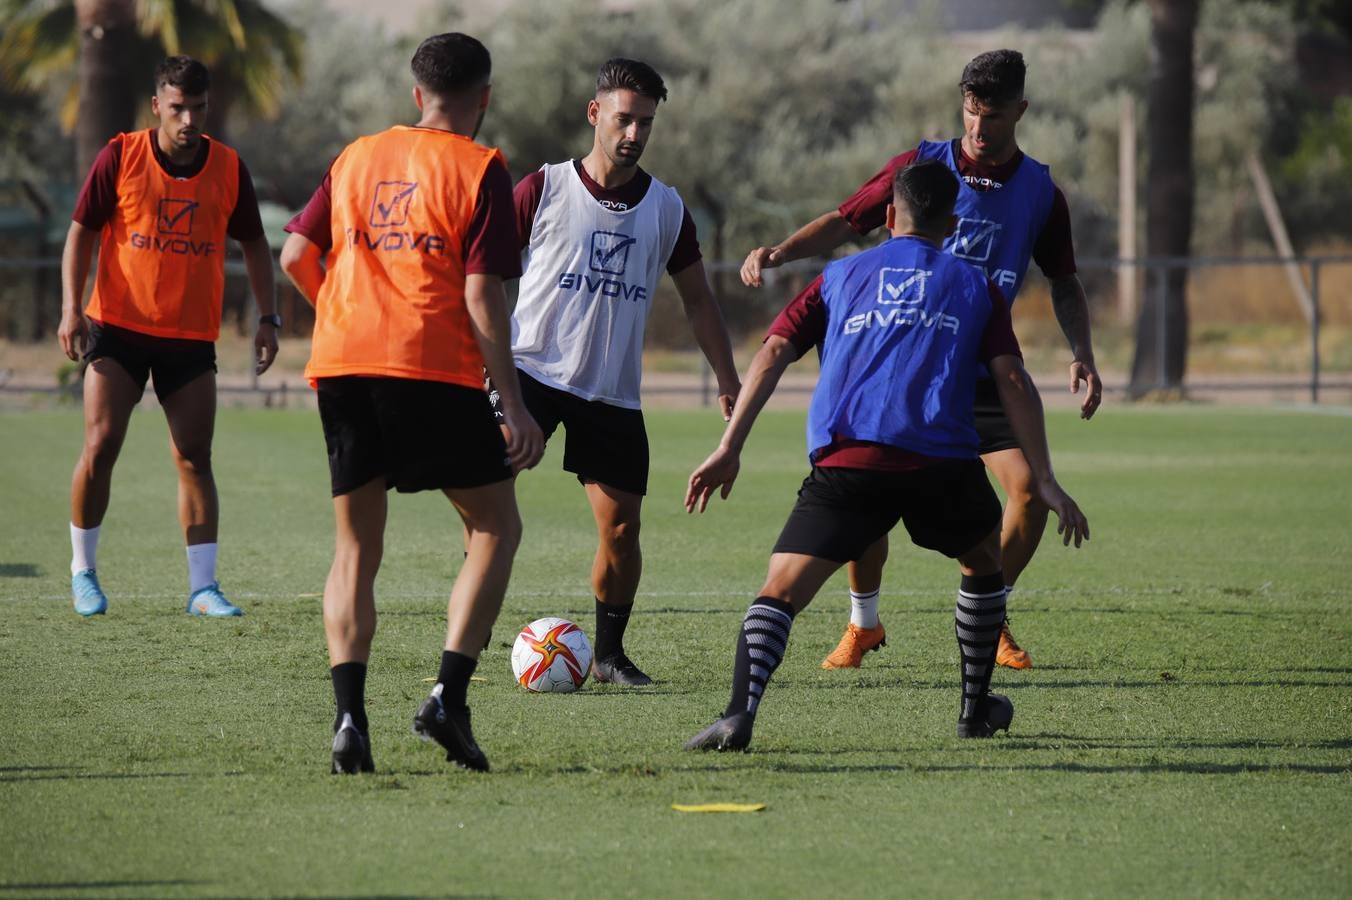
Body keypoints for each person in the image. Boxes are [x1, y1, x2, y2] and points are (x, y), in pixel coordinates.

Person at [684, 161, 1089, 752]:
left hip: (850, 464)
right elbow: (1013, 381)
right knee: (982, 562)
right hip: (941, 466)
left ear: (889, 218)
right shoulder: (975, 285)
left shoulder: (840, 275)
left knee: (780, 590)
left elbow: (772, 353)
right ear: (952, 225)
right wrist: (1045, 479)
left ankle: (738, 715)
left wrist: (729, 446)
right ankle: (974, 710)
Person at [740, 49, 1102, 671]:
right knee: (869, 489)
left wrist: (1083, 353)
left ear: (1022, 110)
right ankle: (863, 625)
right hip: (903, 360)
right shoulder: (922, 166)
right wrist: (781, 253)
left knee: (1030, 492)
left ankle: (990, 615)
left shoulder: (1041, 192)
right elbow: (845, 221)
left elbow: (1064, 281)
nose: (979, 130)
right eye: (970, 113)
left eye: (993, 117)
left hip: (981, 365)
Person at [280, 32, 544, 775]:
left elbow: (296, 255)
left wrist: (340, 313)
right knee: (494, 525)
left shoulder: (355, 156)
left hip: (342, 365)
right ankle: (446, 700)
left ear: (414, 92)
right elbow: (480, 294)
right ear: (484, 98)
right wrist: (514, 405)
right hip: (430, 367)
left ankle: (348, 723)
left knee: (355, 550)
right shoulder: (482, 166)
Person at [502, 57, 741, 686]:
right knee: (488, 506)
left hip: (611, 393)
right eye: (623, 119)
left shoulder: (666, 209)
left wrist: (727, 377)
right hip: (529, 374)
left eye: (645, 123)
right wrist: (485, 362)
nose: (633, 133)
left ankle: (608, 656)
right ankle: (464, 638)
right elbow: (490, 277)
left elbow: (697, 300)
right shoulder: (545, 187)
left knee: (624, 528)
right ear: (595, 114)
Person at [58, 56, 279, 619]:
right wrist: (70, 310)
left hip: (188, 337)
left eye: (198, 108)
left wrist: (267, 318)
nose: (188, 120)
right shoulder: (121, 155)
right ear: (157, 104)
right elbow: (81, 232)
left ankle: (203, 589)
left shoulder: (229, 168)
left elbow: (255, 243)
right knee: (102, 446)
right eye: (178, 108)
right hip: (117, 327)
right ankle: (83, 572)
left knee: (194, 456)